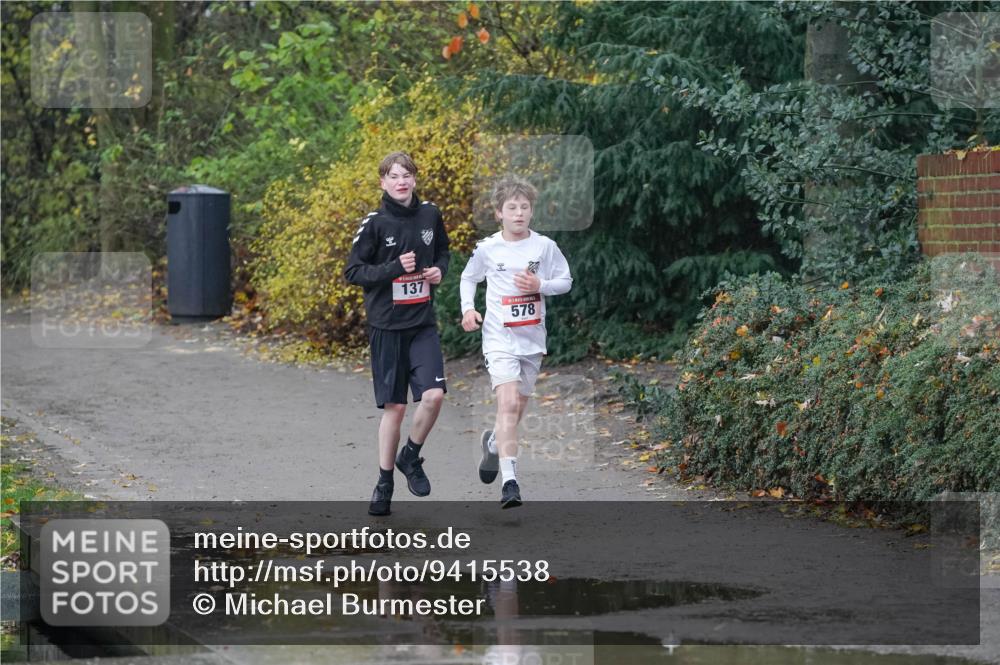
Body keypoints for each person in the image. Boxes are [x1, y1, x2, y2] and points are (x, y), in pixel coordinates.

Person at [344, 151, 450, 516]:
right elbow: (354, 272)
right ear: (383, 183)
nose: (401, 181)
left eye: (406, 175)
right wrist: (393, 268)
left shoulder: (430, 214)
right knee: (397, 407)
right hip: (387, 327)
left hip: (422, 324)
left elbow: (444, 252)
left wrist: (438, 271)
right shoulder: (374, 223)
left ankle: (411, 456)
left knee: (434, 396)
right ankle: (384, 481)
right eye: (393, 176)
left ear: (415, 179)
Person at [459, 176, 572, 508]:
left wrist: (540, 284)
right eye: (512, 207)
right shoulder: (488, 248)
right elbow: (468, 278)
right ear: (499, 213)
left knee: (517, 409)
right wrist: (469, 309)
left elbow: (565, 281)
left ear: (531, 211)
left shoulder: (544, 247)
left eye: (525, 207)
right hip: (498, 338)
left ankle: (494, 444)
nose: (519, 213)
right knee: (507, 405)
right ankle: (510, 482)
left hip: (532, 340)